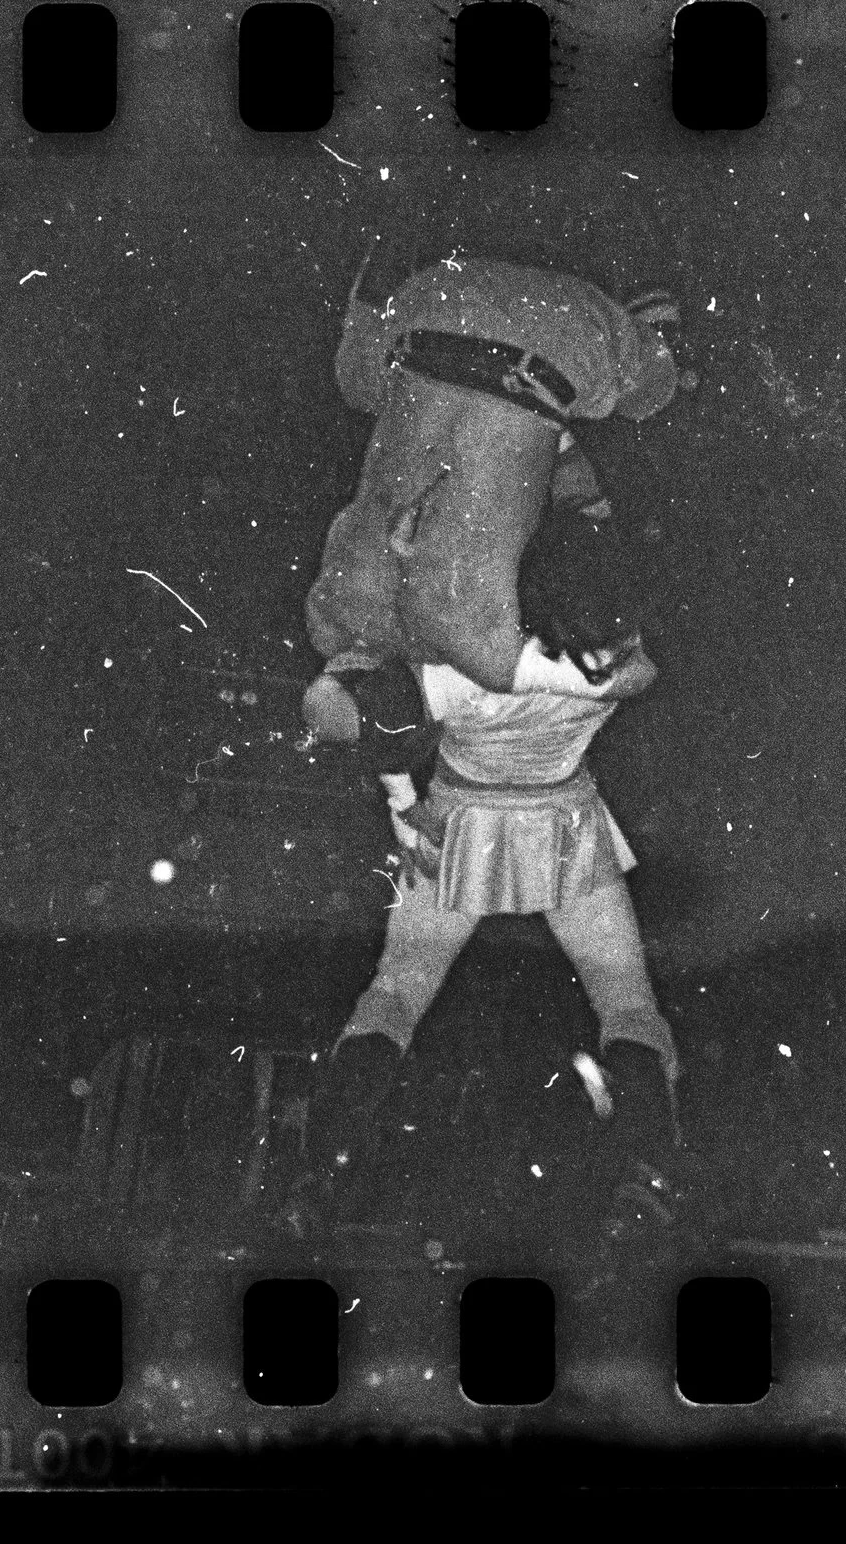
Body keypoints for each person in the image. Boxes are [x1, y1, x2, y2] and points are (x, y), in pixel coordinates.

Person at [295, 498, 683, 1241]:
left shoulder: (470, 672)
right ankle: (648, 1177)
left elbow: (340, 712)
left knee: (396, 995)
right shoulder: (627, 669)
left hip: (457, 829)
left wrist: (395, 782)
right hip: (564, 827)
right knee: (629, 1008)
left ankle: (324, 1172)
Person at [303, 247, 683, 699]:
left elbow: (635, 676)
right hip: (437, 299)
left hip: (568, 337)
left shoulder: (476, 644)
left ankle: (650, 343)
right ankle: (388, 273)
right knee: (362, 385)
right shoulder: (331, 612)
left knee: (653, 396)